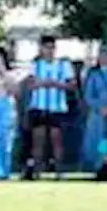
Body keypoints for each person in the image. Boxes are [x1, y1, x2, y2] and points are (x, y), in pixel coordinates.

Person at [22, 35, 76, 180]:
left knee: (56, 140)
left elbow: (72, 86)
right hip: (38, 107)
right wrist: (41, 84)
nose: (49, 51)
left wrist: (56, 84)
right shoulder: (35, 65)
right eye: (46, 48)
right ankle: (37, 171)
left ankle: (59, 171)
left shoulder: (64, 65)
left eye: (52, 48)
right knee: (38, 140)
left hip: (57, 108)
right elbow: (29, 85)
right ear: (41, 49)